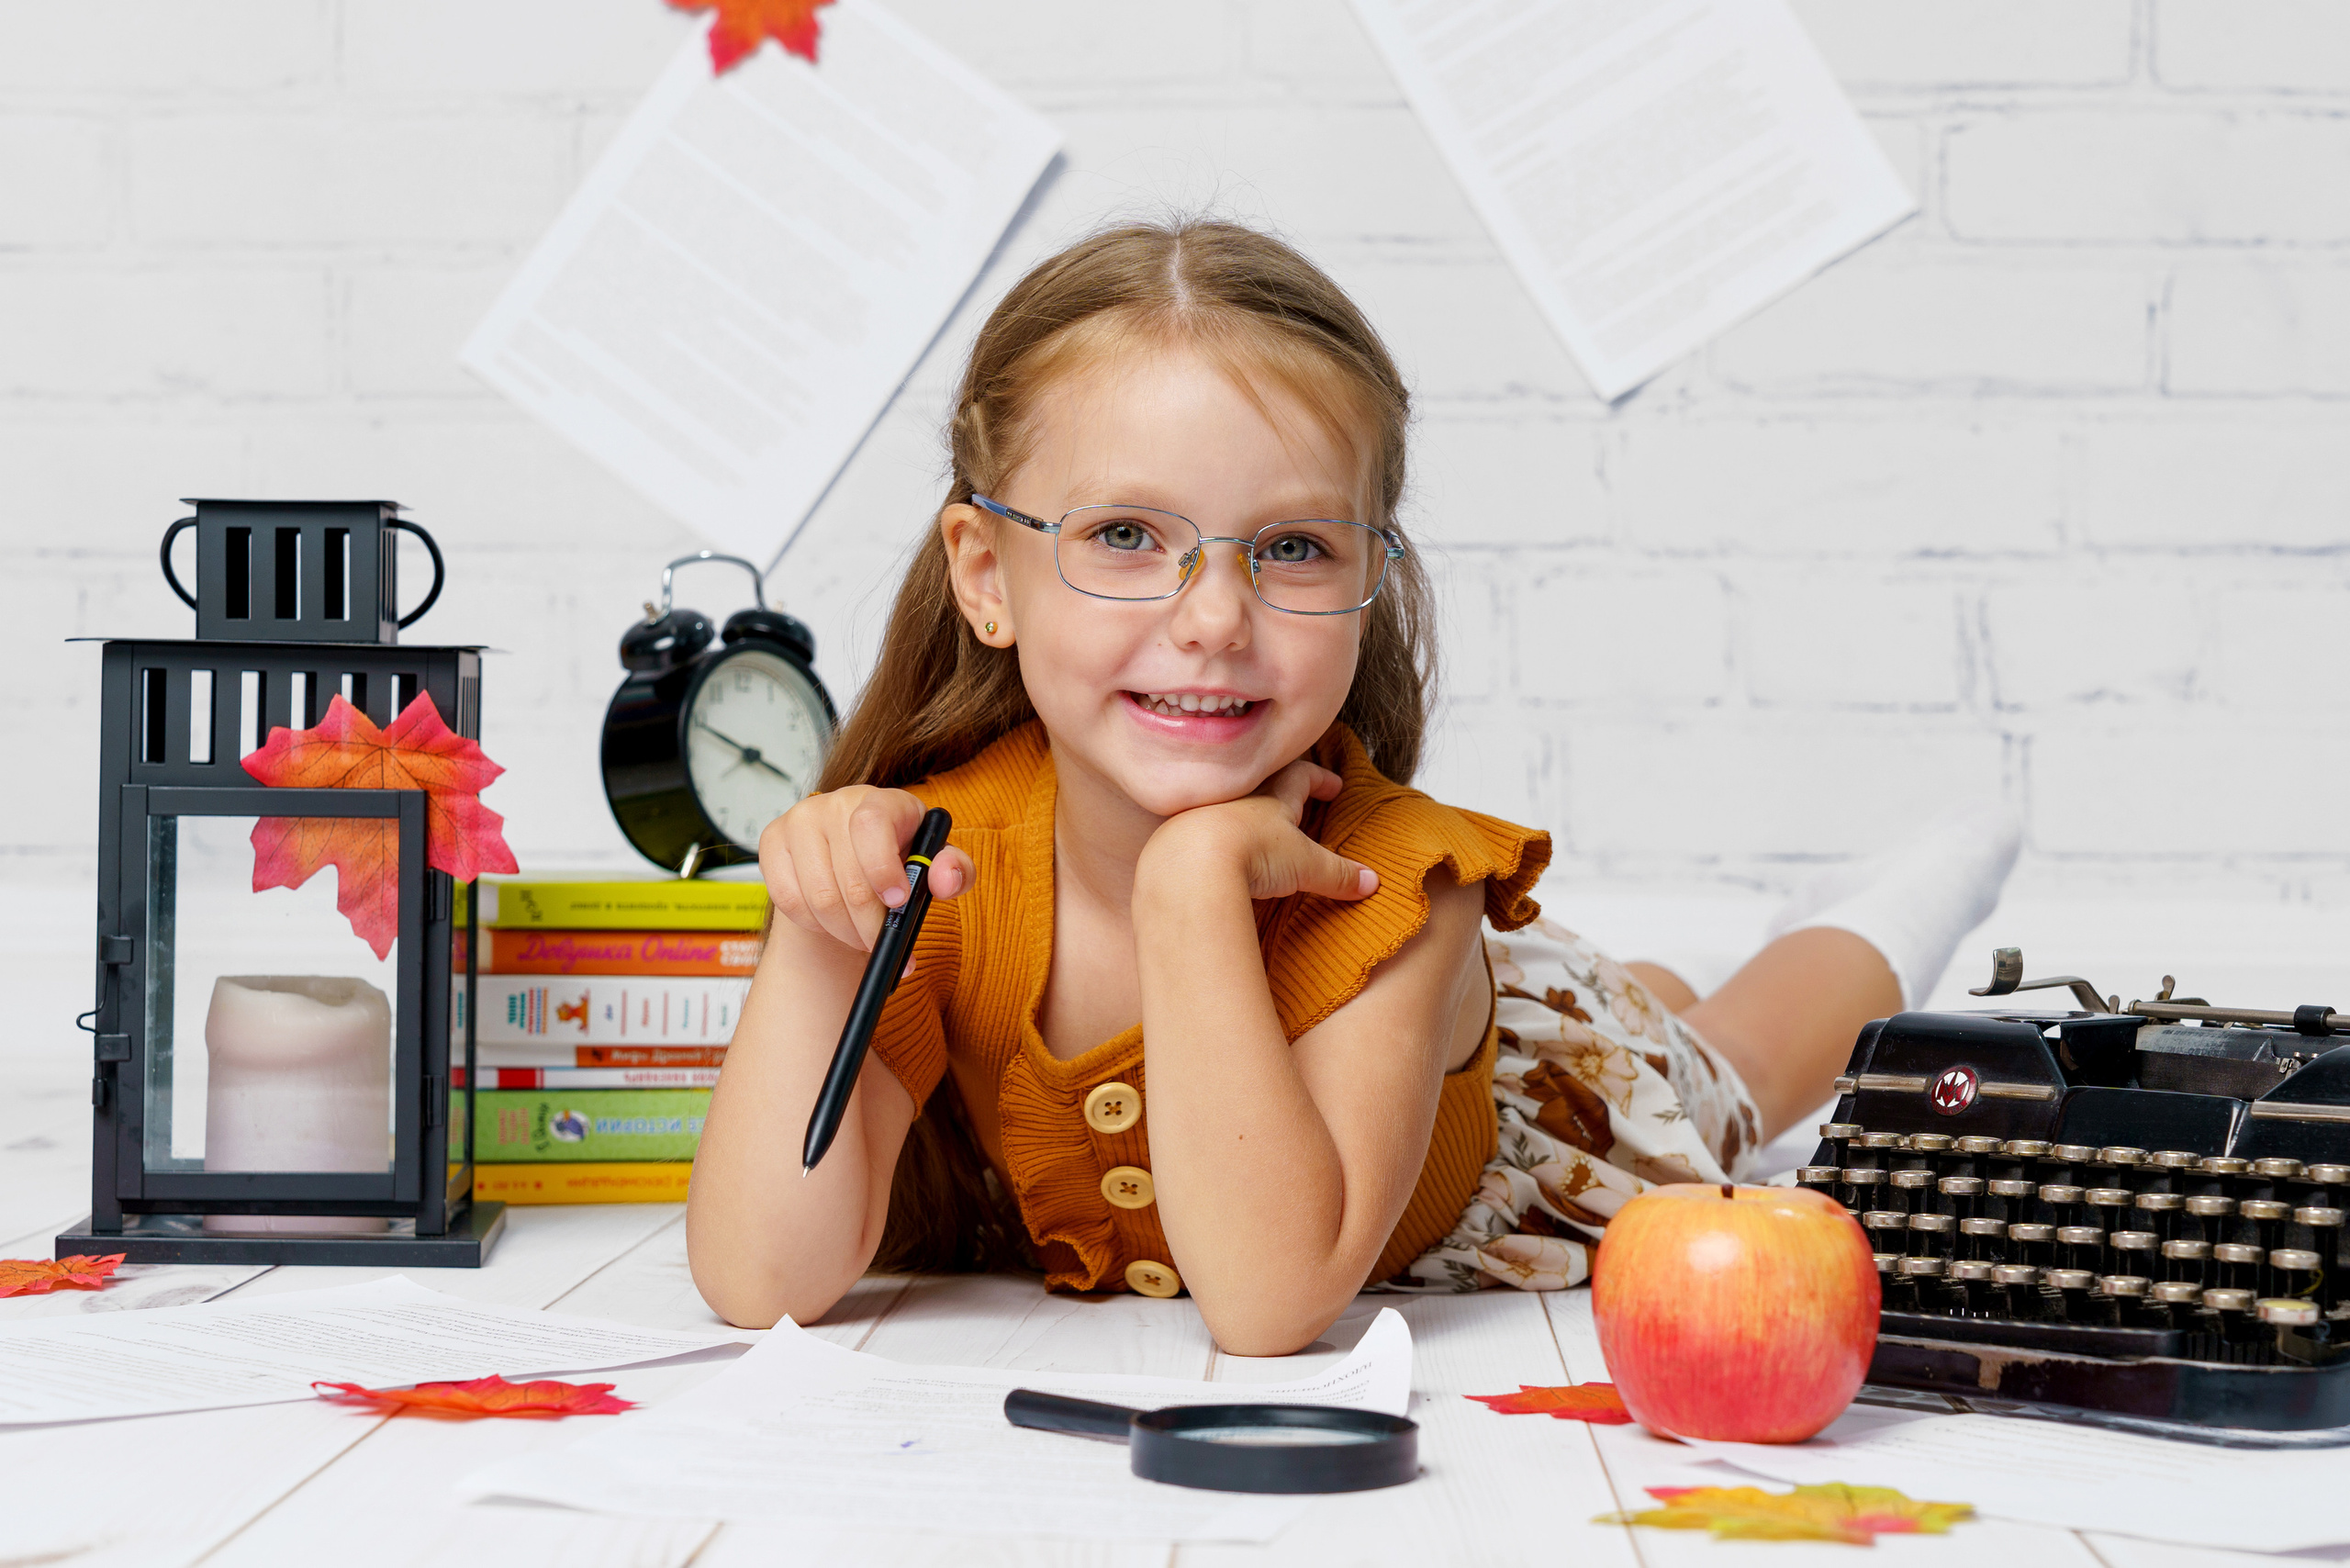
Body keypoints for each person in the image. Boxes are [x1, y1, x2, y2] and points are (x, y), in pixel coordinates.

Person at [686, 218, 2018, 1353]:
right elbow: (759, 1283)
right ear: (986, 575)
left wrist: (1196, 883)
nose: (1212, 618)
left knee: (1742, 1059)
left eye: (1294, 547)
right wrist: (817, 935)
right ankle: (1614, 970)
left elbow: (1266, 1307)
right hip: (1443, 1023)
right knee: (1631, 983)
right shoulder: (949, 860)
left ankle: (1926, 873)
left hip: (1528, 1125)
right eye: (1127, 536)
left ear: (1371, 573)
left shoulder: (1397, 883)